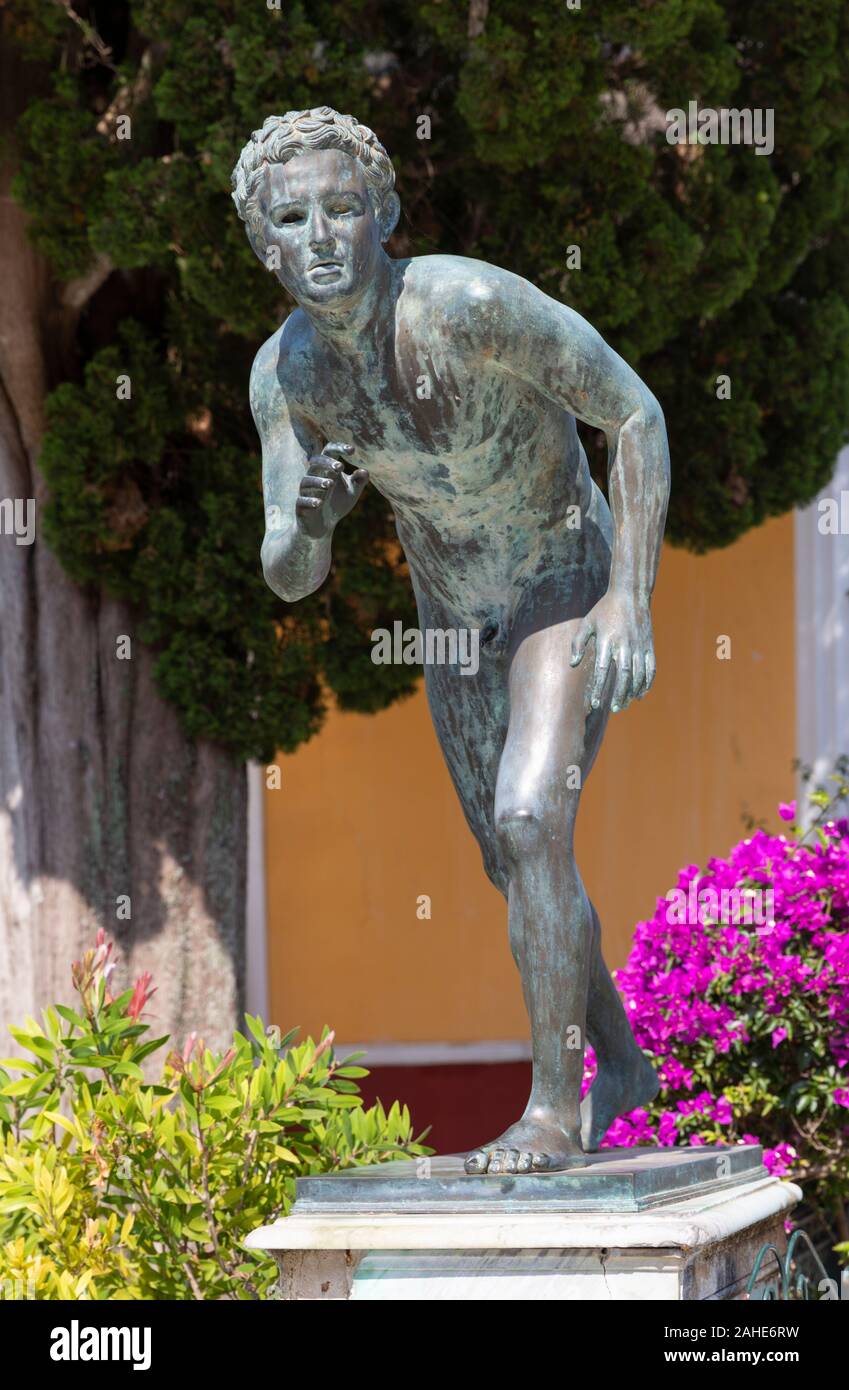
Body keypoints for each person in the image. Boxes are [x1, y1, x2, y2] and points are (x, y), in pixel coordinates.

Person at [233, 107, 669, 1174]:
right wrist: (313, 520)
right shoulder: (285, 379)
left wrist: (630, 597)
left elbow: (636, 413)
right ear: (264, 244)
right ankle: (620, 1062)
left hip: (564, 575)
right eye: (294, 216)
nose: (323, 234)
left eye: (343, 207)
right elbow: (288, 573)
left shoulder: (467, 302)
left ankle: (555, 1115)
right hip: (454, 615)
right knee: (507, 856)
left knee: (529, 819)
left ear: (383, 212)